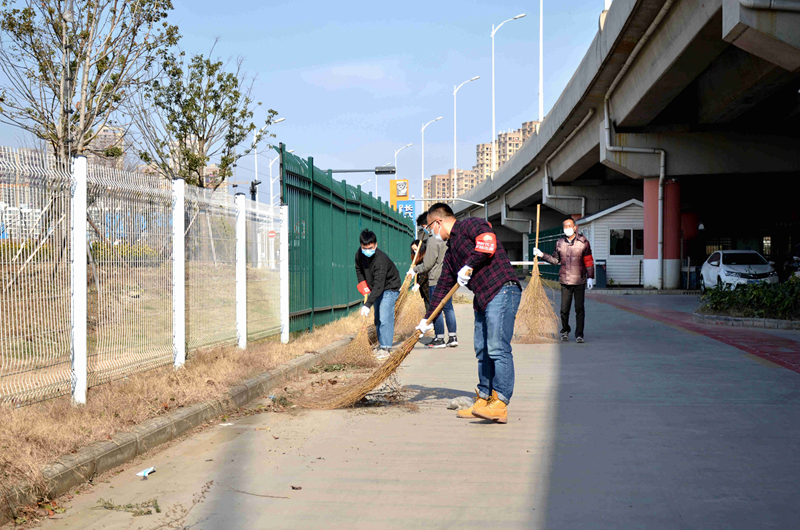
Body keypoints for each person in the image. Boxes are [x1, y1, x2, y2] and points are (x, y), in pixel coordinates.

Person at [416, 203, 521, 423]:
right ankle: (484, 398)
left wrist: (469, 265)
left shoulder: (471, 224)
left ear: (438, 222)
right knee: (482, 350)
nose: (430, 233)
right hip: (482, 298)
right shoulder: (451, 252)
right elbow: (443, 287)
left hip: (502, 288)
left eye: (429, 229)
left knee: (497, 347)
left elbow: (488, 243)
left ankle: (500, 402)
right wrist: (427, 319)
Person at [533, 217, 595, 343]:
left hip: (580, 280)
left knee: (579, 309)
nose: (567, 228)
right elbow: (555, 260)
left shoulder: (583, 242)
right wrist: (542, 255)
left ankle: (579, 334)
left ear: (575, 227)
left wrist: (590, 277)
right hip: (565, 281)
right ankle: (565, 330)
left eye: (569, 226)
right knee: (564, 309)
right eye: (565, 226)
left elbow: (588, 260)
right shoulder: (560, 243)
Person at [408, 209, 458, 348]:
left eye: (425, 227)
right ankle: (453, 337)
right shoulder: (446, 237)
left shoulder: (432, 240)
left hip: (436, 280)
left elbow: (429, 263)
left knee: (435, 308)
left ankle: (440, 338)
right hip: (449, 278)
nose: (425, 229)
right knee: (448, 308)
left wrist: (415, 270)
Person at [354, 229, 401, 360]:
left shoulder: (381, 260)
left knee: (385, 316)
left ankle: (386, 348)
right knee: (377, 318)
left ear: (376, 245)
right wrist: (363, 284)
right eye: (364, 248)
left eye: (370, 247)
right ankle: (381, 345)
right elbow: (358, 269)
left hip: (390, 287)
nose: (367, 250)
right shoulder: (359, 254)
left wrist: (367, 304)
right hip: (375, 286)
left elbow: (380, 285)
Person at [410, 239, 431, 312]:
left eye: (416, 249)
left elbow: (425, 273)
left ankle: (431, 321)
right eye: (413, 250)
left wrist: (418, 284)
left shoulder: (426, 258)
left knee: (430, 306)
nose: (415, 251)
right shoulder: (417, 260)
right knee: (427, 305)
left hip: (428, 287)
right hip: (424, 289)